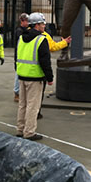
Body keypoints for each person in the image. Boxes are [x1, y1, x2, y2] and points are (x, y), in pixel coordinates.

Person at [15, 12, 53, 140]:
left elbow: (17, 56)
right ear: (37, 25)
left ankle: (20, 129)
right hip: (35, 77)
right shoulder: (41, 39)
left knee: (22, 104)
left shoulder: (21, 38)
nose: (44, 26)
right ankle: (29, 132)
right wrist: (50, 78)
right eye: (43, 23)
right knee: (33, 106)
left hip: (22, 75)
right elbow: (45, 61)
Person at [13, 13, 30, 101]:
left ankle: (21, 92)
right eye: (27, 21)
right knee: (18, 74)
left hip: (24, 55)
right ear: (22, 21)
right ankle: (16, 92)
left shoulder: (26, 29)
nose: (28, 23)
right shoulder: (19, 31)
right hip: (19, 55)